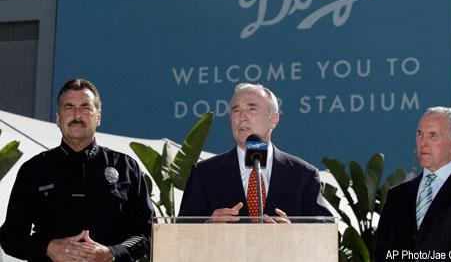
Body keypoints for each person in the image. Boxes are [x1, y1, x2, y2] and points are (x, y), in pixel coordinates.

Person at [0, 78, 154, 261]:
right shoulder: (34, 169)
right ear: (58, 118)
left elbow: (147, 234)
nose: (77, 114)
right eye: (69, 107)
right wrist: (48, 247)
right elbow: (11, 237)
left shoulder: (126, 167)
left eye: (85, 107)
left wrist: (111, 253)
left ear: (99, 117)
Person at [179, 83, 331, 220]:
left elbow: (328, 235)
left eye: (252, 109)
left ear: (273, 119)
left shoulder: (303, 175)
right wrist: (207, 225)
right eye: (235, 110)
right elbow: (180, 234)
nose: (242, 117)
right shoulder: (205, 173)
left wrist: (293, 234)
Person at [375, 107, 451, 261]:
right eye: (419, 134)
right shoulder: (397, 196)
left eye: (433, 135)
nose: (423, 142)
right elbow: (383, 254)